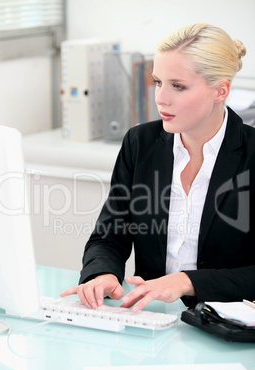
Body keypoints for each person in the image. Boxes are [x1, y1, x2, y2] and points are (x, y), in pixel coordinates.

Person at [61, 23, 255, 312]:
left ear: (220, 91)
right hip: (153, 320)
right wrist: (102, 273)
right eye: (158, 82)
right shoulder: (140, 143)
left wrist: (186, 282)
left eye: (178, 86)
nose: (161, 98)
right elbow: (109, 234)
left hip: (227, 328)